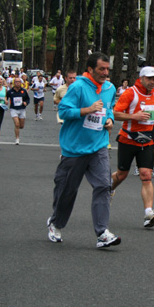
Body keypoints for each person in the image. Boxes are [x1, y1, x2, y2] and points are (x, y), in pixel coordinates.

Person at [47, 52, 121, 248]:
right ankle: (56, 223)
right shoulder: (78, 87)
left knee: (103, 186)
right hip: (75, 149)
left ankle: (102, 233)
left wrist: (110, 119)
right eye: (101, 69)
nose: (106, 73)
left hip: (98, 146)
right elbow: (63, 111)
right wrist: (87, 110)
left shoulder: (110, 87)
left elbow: (110, 107)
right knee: (67, 191)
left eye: (107, 69)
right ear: (90, 69)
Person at [110, 66, 154, 227]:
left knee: (146, 175)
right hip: (128, 139)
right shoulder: (130, 93)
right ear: (141, 78)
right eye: (149, 78)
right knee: (122, 174)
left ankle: (148, 213)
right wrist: (133, 116)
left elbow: (152, 111)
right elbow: (115, 113)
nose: (152, 82)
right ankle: (108, 190)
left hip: (146, 141)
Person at [6, 77, 30, 145]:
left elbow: (28, 99)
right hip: (13, 109)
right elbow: (6, 97)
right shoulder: (10, 91)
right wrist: (5, 101)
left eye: (19, 82)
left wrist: (26, 103)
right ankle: (17, 139)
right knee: (17, 124)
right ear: (14, 83)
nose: (17, 83)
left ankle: (18, 128)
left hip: (22, 109)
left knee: (21, 126)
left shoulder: (24, 91)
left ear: (21, 83)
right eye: (16, 82)